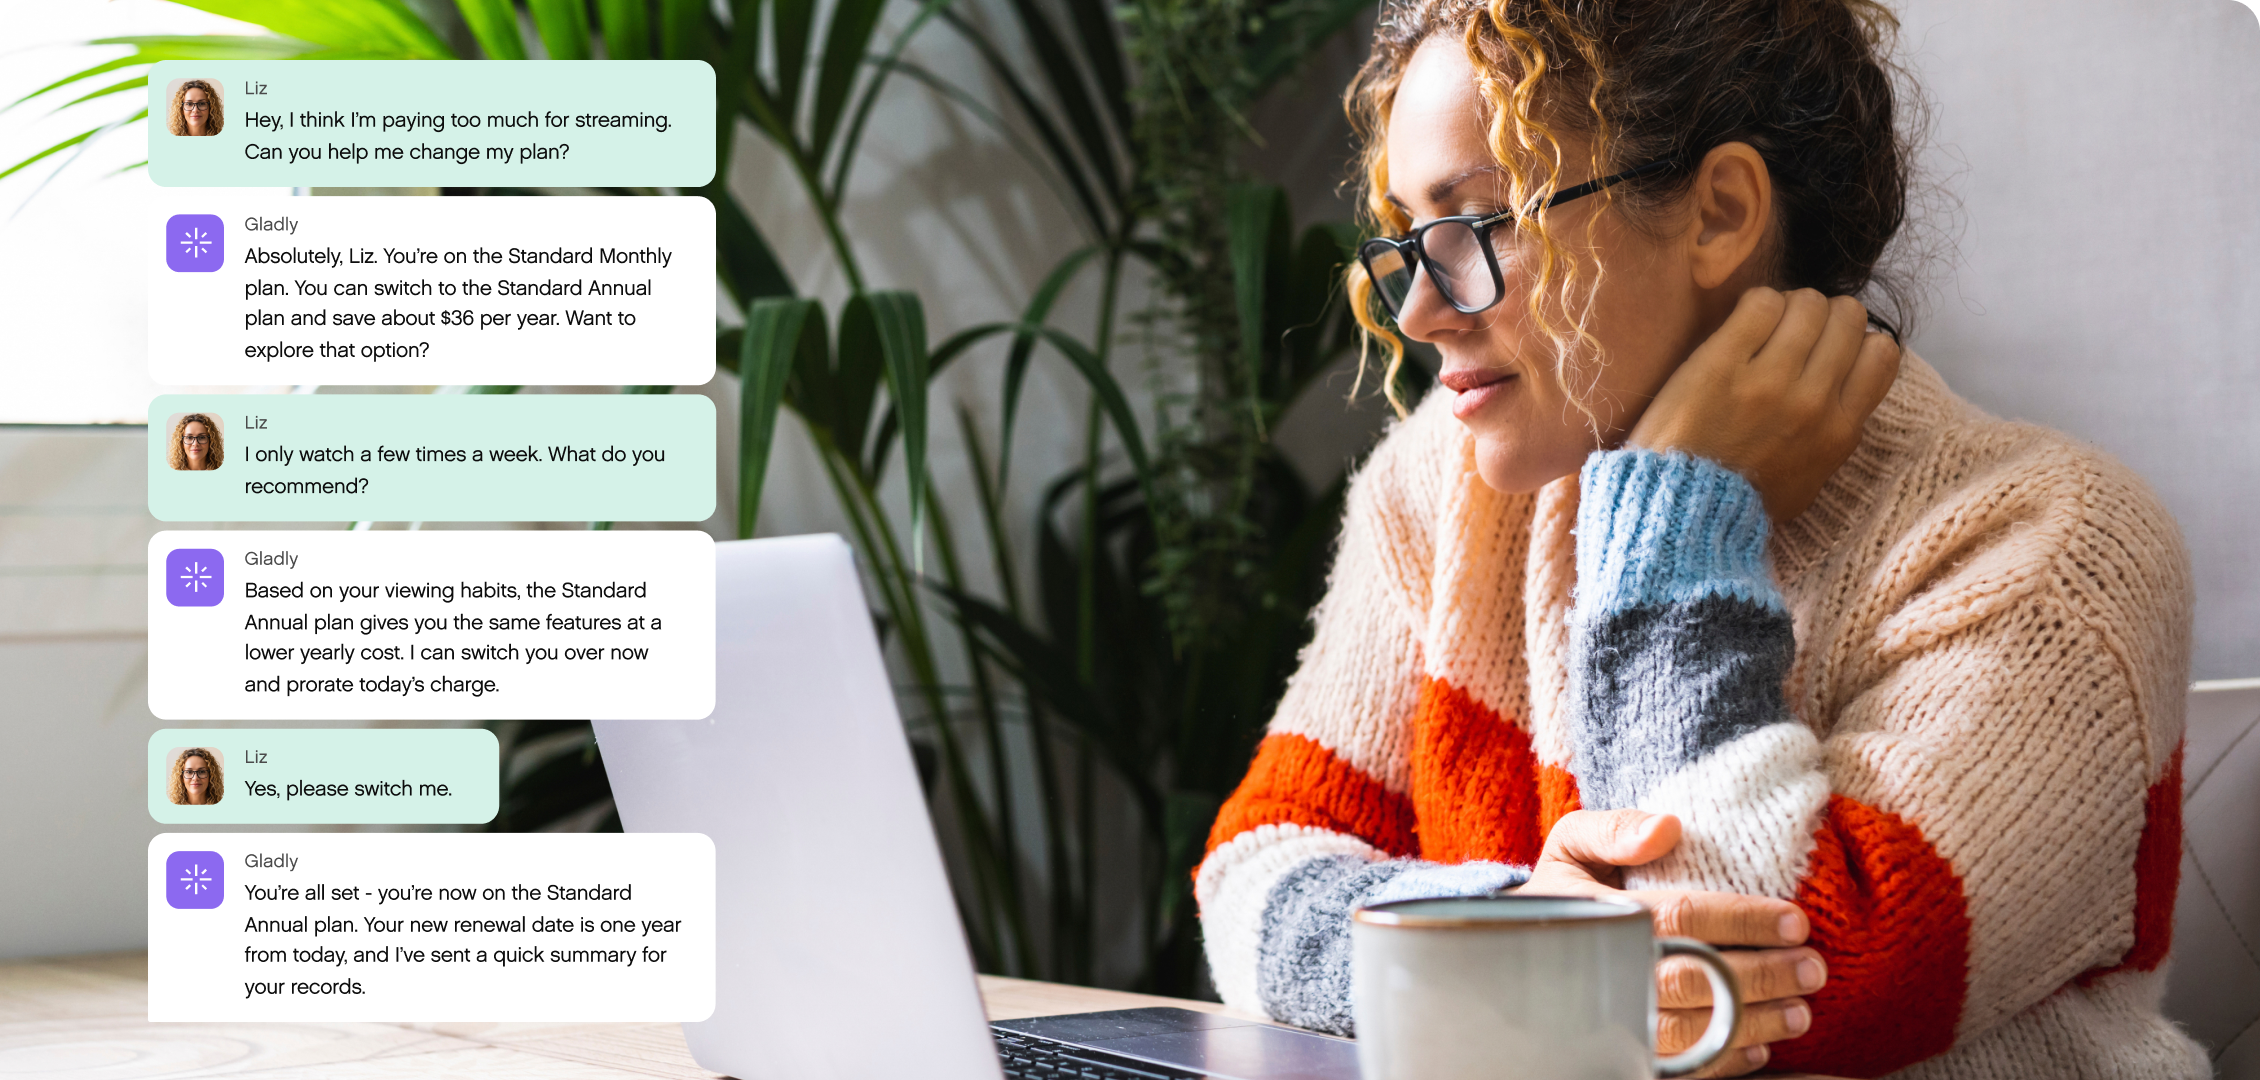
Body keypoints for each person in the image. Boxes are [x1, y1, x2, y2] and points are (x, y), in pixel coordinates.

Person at [1193, 0, 2204, 1076]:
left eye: (1482, 224)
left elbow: (1761, 1001)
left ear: (1719, 212)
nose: (1420, 314)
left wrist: (1674, 521)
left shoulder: (2053, 545)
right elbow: (1252, 871)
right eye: (1409, 237)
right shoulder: (1437, 492)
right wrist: (1516, 920)